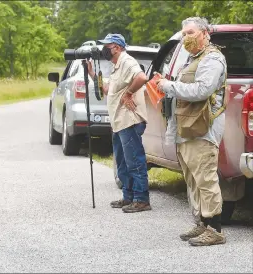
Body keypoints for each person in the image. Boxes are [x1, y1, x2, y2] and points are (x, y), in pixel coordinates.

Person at [156, 17, 227, 246]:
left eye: (190, 32)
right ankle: (202, 224)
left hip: (202, 130)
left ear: (205, 33)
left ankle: (215, 230)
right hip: (187, 129)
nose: (186, 37)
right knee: (193, 180)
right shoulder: (192, 59)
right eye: (183, 33)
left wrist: (169, 86)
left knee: (205, 179)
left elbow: (202, 90)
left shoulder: (213, 58)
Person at [87, 33, 151, 213]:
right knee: (123, 162)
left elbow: (142, 77)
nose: (104, 50)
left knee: (134, 160)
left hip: (129, 120)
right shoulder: (117, 66)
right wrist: (92, 73)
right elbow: (107, 89)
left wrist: (129, 93)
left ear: (117, 47)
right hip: (119, 122)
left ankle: (141, 199)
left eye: (106, 46)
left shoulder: (127, 61)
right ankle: (128, 196)